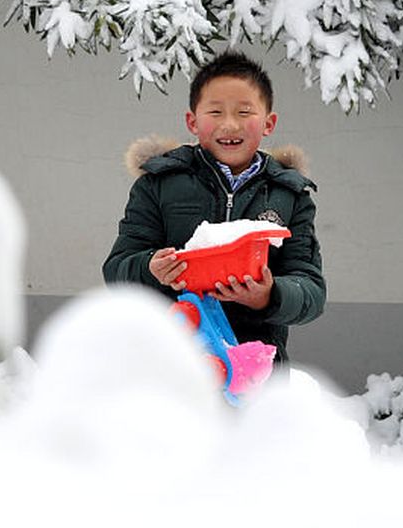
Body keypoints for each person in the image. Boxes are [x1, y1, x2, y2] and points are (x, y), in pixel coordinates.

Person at [103, 50, 325, 364]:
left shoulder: (289, 195)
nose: (230, 125)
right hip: (172, 364)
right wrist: (151, 267)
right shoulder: (159, 183)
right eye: (216, 112)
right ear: (192, 121)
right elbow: (116, 269)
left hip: (255, 371)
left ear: (268, 123)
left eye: (245, 112)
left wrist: (269, 295)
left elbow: (312, 291)